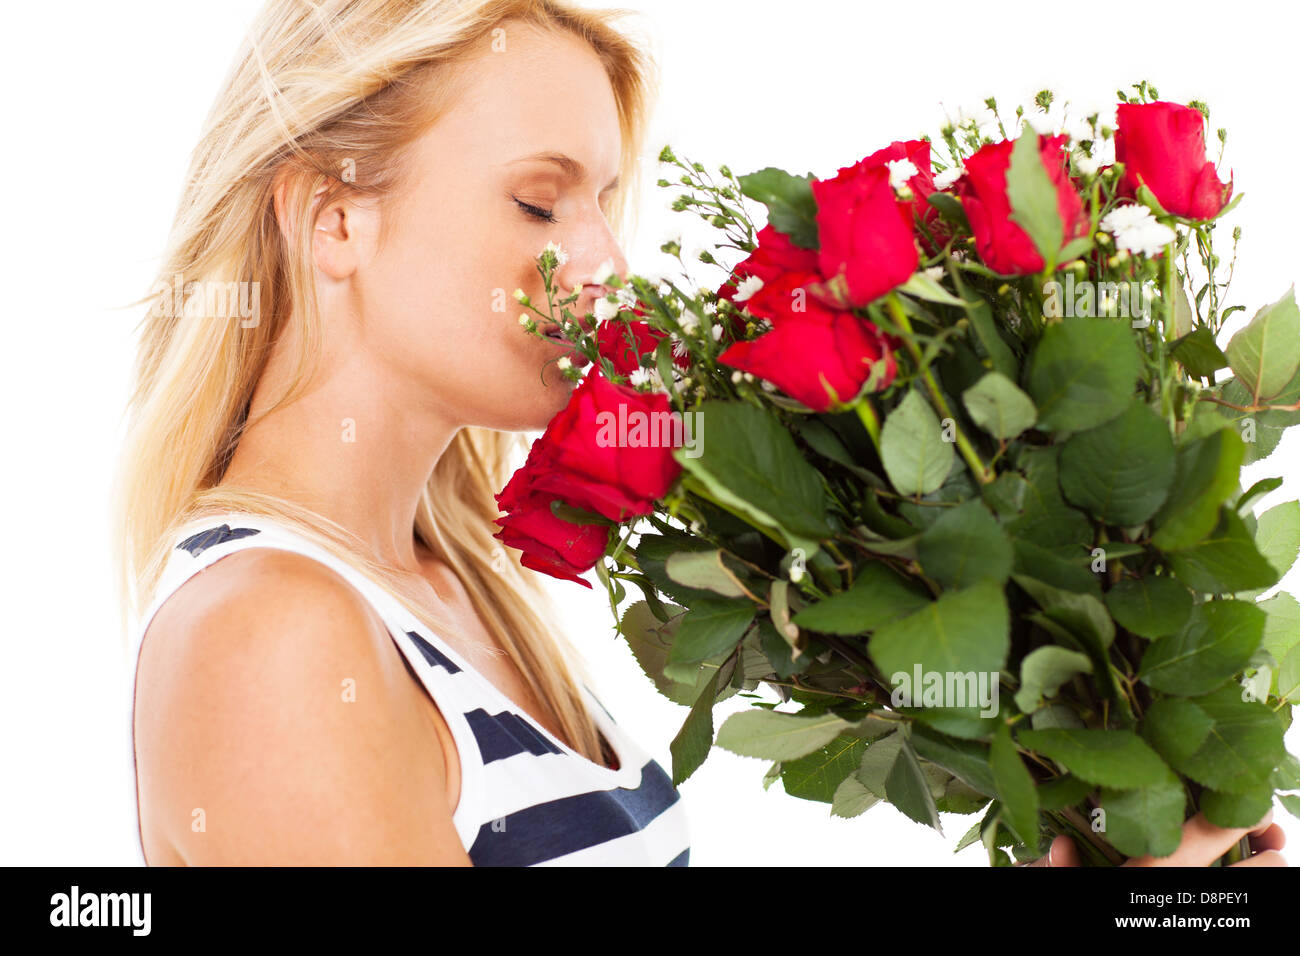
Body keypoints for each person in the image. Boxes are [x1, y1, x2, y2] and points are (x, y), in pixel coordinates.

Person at [116, 0, 688, 866]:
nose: (608, 265)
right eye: (540, 203)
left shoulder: (459, 585)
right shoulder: (270, 635)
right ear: (333, 218)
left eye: (602, 202)